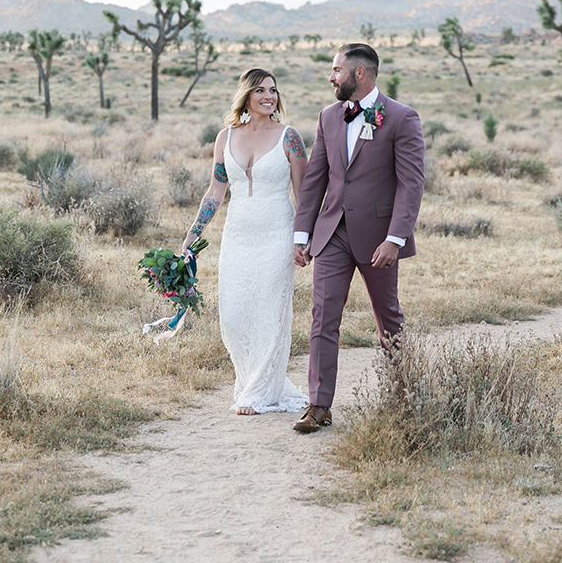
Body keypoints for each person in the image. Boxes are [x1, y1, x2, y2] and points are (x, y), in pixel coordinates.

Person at [292, 43, 425, 433]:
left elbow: (411, 184)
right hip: (332, 232)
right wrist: (303, 234)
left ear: (360, 74)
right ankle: (319, 405)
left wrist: (396, 239)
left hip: (379, 238)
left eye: (336, 70)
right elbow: (316, 178)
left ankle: (404, 395)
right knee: (323, 316)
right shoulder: (328, 116)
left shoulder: (402, 118)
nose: (331, 77)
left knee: (388, 320)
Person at [182, 68, 310, 416]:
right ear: (247, 95)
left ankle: (259, 393)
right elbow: (215, 190)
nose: (270, 96)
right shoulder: (225, 138)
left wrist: (304, 239)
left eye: (274, 90)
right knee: (235, 314)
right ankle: (250, 381)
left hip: (277, 234)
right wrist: (193, 235)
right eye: (261, 90)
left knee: (269, 312)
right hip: (238, 236)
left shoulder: (290, 138)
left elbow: (305, 194)